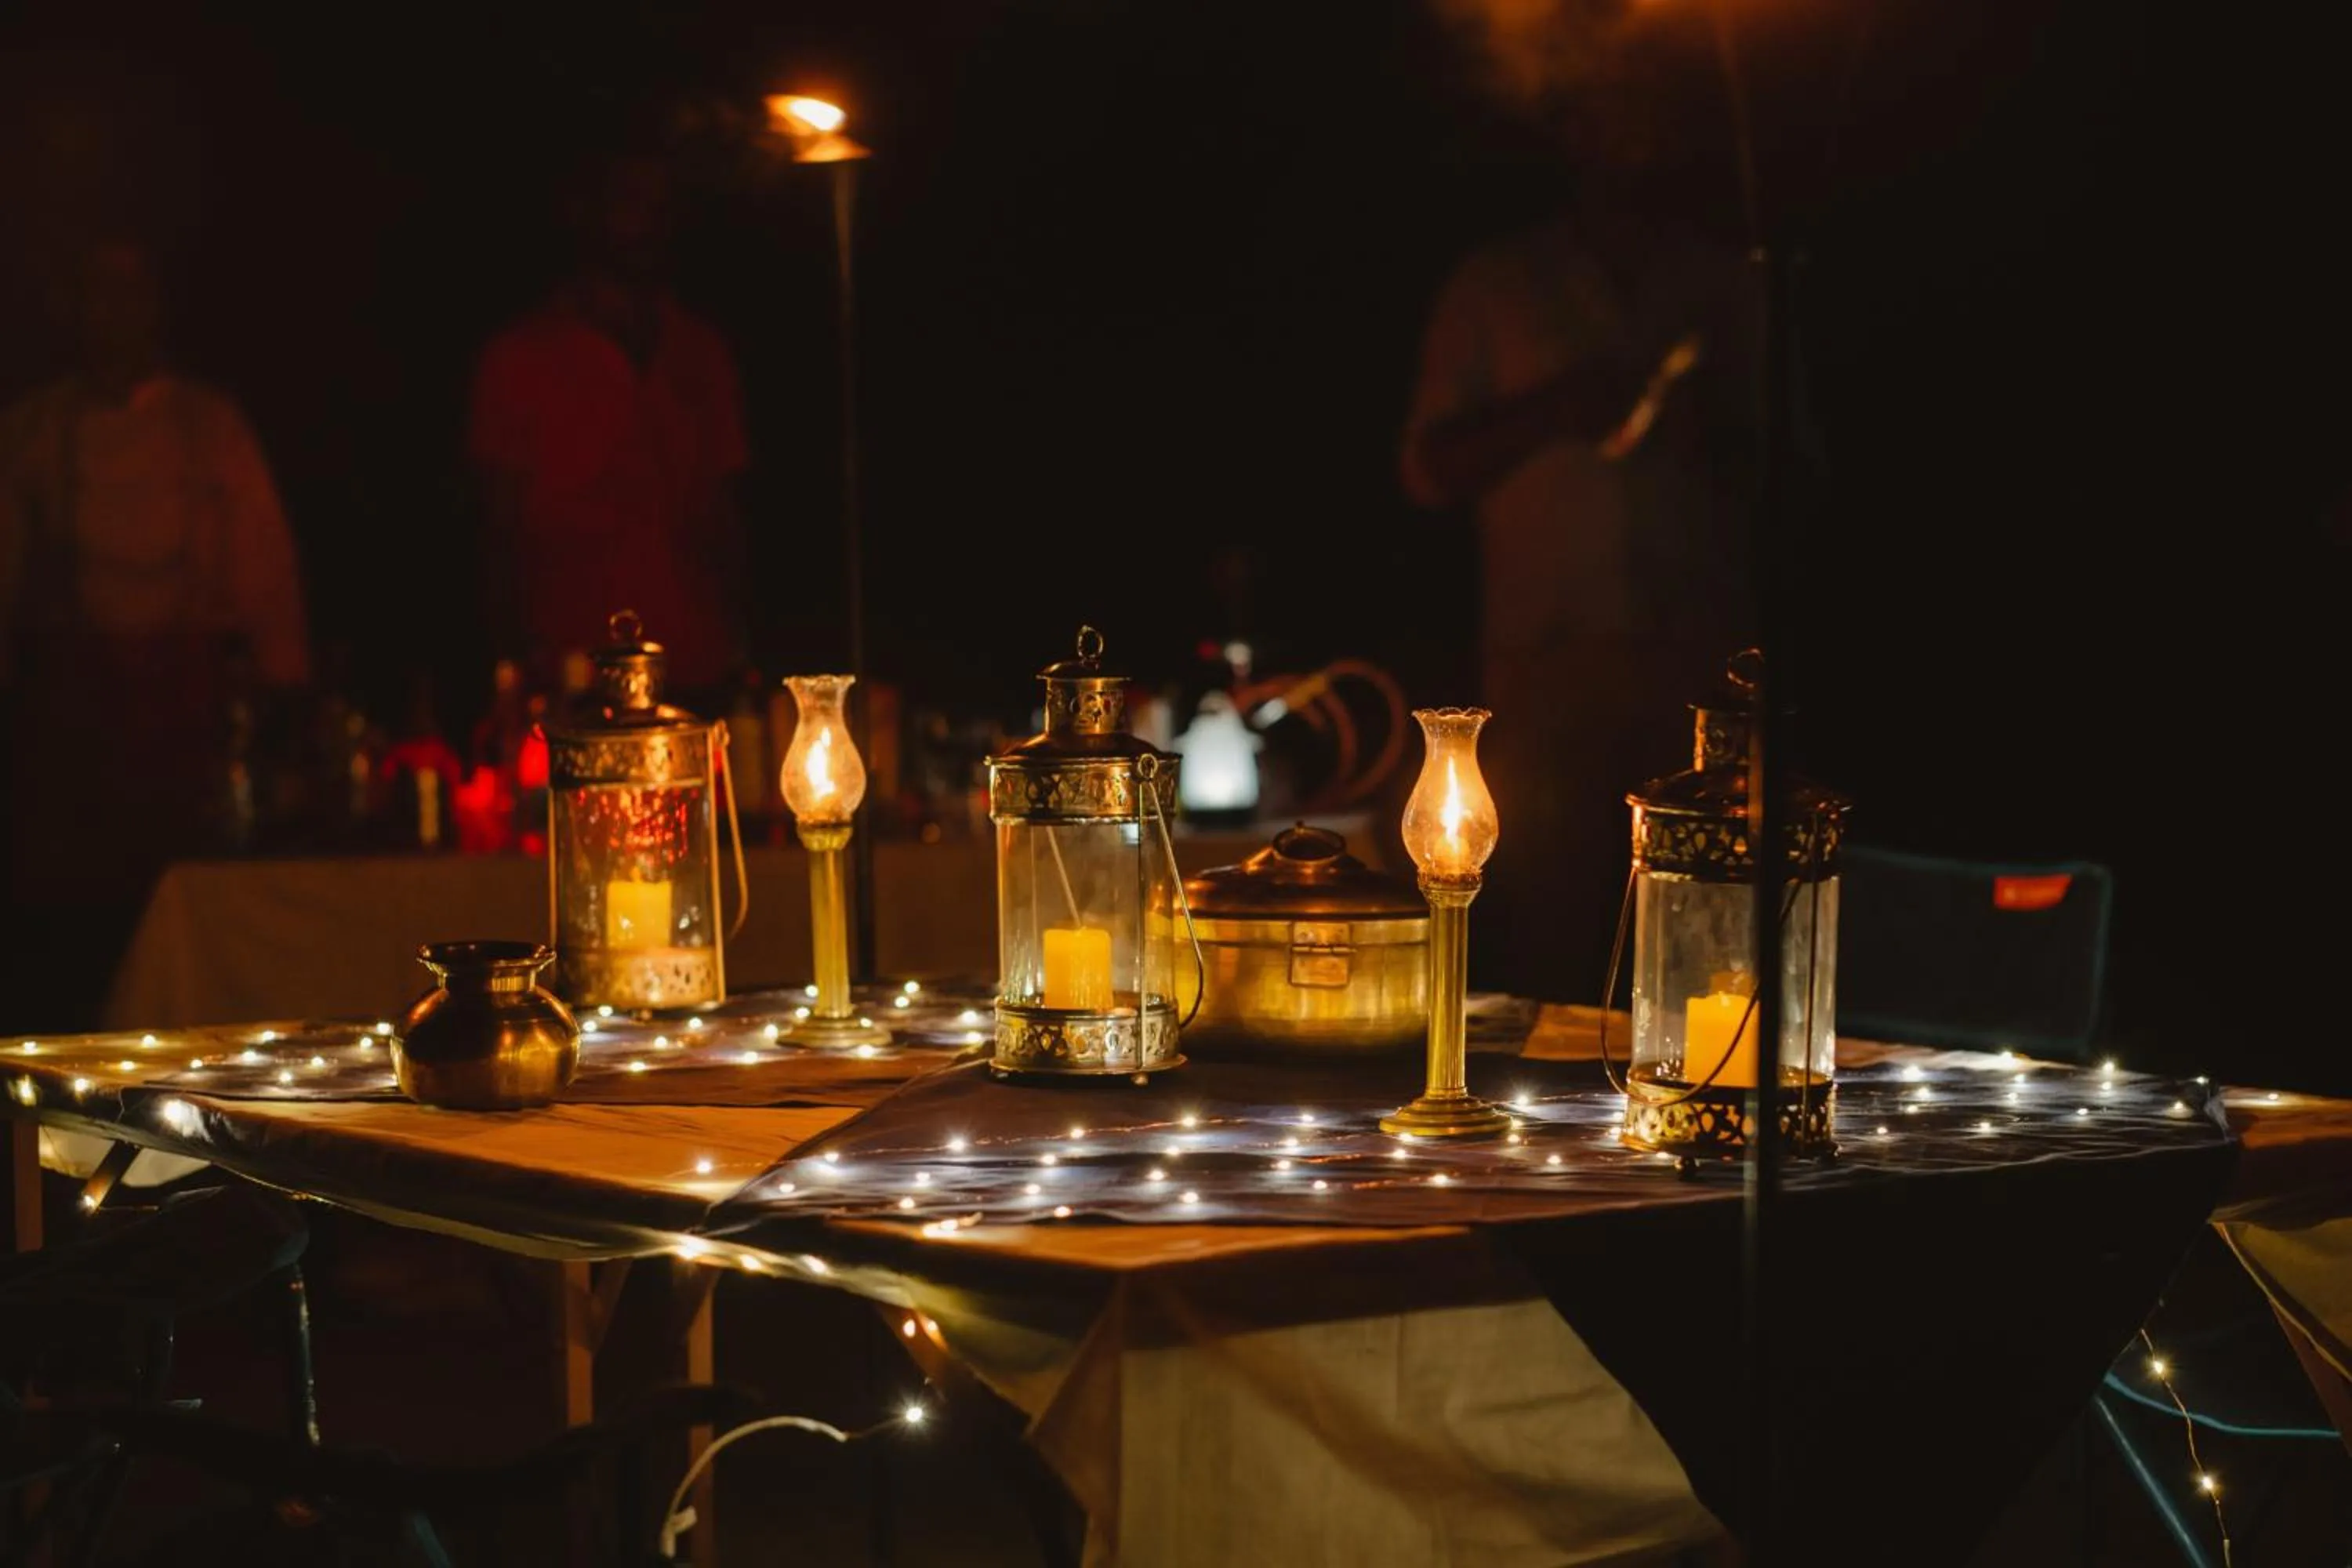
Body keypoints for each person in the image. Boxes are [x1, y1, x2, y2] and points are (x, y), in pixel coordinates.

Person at [1399, 20, 1774, 1004]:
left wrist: (1707, 425)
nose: (1629, 141)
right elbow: (1428, 467)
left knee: (1698, 912)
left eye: (1646, 118)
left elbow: (1797, 470)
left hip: (1698, 664)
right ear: (1569, 130)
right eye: (1608, 117)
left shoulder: (1723, 283)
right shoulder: (1500, 284)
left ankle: (1691, 1067)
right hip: (1547, 657)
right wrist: (1552, 409)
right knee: (1553, 916)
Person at [0, 234, 312, 1025]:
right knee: (73, 948)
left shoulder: (211, 427)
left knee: (186, 926)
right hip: (70, 740)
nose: (116, 312)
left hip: (183, 728)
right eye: (99, 292)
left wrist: (282, 701)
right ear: (71, 307)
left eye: (131, 292)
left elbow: (267, 576)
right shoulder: (31, 434)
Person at [467, 147, 750, 701]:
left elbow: (726, 514)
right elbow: (495, 531)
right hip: (573, 676)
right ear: (586, 212)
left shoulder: (699, 352)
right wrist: (514, 664)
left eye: (660, 205)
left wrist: (741, 648)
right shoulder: (520, 358)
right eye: (630, 201)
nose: (646, 222)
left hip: (695, 670)